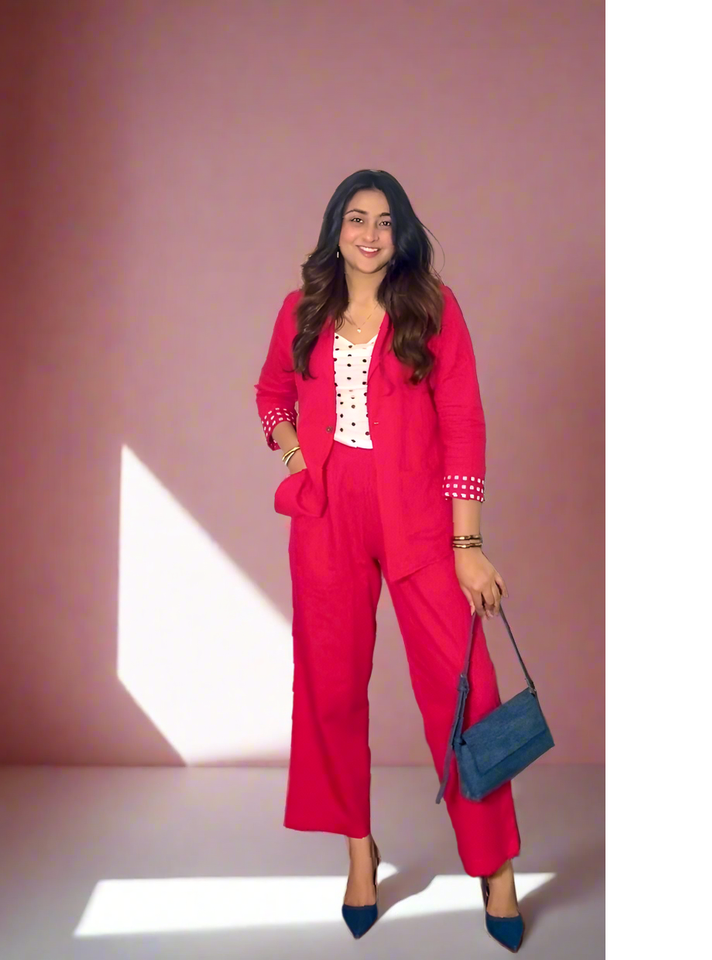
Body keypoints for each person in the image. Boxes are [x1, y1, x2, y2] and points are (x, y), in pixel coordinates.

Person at [253, 170, 524, 950]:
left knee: (468, 692)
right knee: (331, 687)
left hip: (419, 514)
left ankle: (496, 864)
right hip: (327, 511)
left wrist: (468, 545)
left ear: (400, 233)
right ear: (335, 229)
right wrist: (298, 458)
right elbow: (271, 394)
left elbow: (464, 423)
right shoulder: (302, 310)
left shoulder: (433, 309)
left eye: (383, 221)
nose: (369, 234)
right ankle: (358, 852)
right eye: (355, 218)